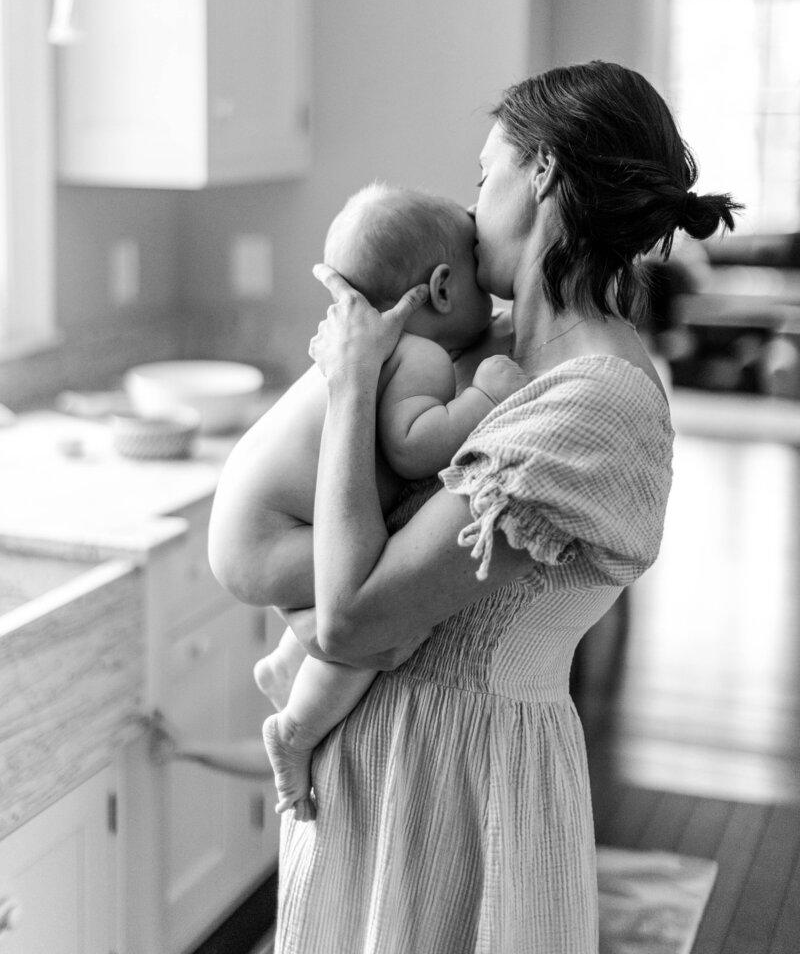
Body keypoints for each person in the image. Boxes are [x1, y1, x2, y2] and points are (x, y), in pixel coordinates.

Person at [209, 61, 741, 953]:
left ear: (543, 176)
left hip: (460, 802)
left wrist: (350, 383)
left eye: (483, 172)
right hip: (383, 788)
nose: (469, 202)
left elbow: (351, 621)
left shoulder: (591, 406)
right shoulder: (495, 351)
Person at [227, 182, 527, 820]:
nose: (495, 295)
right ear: (445, 288)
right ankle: (296, 726)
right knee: (387, 608)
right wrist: (486, 398)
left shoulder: (383, 349)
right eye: (481, 275)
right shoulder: (416, 355)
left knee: (363, 571)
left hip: (249, 521)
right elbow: (414, 447)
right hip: (270, 536)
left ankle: (286, 661)